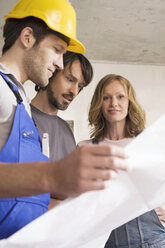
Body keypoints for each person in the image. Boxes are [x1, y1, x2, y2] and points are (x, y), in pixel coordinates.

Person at [0, 0, 129, 239]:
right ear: (27, 37)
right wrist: (52, 175)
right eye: (57, 50)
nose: (60, 62)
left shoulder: (17, 101)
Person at [79, 74, 165, 247]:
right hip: (107, 242)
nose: (114, 104)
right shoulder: (86, 148)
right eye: (106, 98)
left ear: (129, 102)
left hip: (153, 240)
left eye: (120, 97)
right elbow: (80, 200)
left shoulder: (147, 142)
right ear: (99, 103)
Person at [31, 51, 93, 208]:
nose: (74, 91)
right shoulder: (22, 116)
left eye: (80, 86)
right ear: (51, 72)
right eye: (70, 79)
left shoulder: (66, 129)